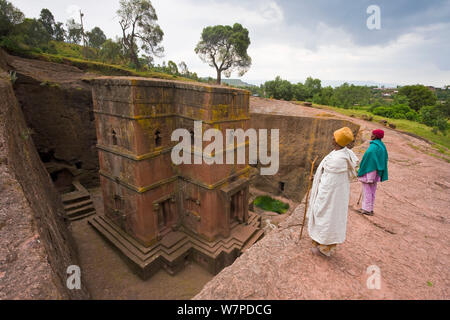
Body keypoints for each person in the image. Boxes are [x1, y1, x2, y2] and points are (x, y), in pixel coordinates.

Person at [307, 127, 358, 257]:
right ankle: (319, 242)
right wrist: (316, 178)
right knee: (326, 216)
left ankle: (324, 247)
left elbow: (330, 181)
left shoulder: (338, 160)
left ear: (338, 141)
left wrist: (317, 183)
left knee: (326, 215)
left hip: (331, 195)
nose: (332, 138)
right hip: (334, 192)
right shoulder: (343, 153)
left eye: (334, 137)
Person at [357, 129, 388, 216]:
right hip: (376, 173)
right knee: (372, 191)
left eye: (372, 134)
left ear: (375, 136)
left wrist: (361, 169)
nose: (371, 136)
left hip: (369, 172)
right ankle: (370, 208)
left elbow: (367, 158)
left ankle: (366, 209)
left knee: (367, 190)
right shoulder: (382, 146)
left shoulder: (373, 147)